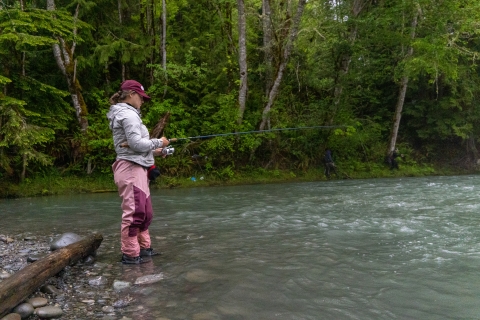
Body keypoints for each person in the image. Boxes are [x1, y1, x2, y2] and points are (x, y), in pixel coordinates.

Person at [107, 79, 169, 264]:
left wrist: (157, 151)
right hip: (130, 169)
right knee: (135, 213)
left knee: (145, 213)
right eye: (141, 97)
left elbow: (136, 147)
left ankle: (144, 249)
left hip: (138, 168)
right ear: (132, 94)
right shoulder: (128, 115)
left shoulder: (131, 114)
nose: (143, 100)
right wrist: (160, 142)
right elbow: (136, 144)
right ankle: (130, 255)